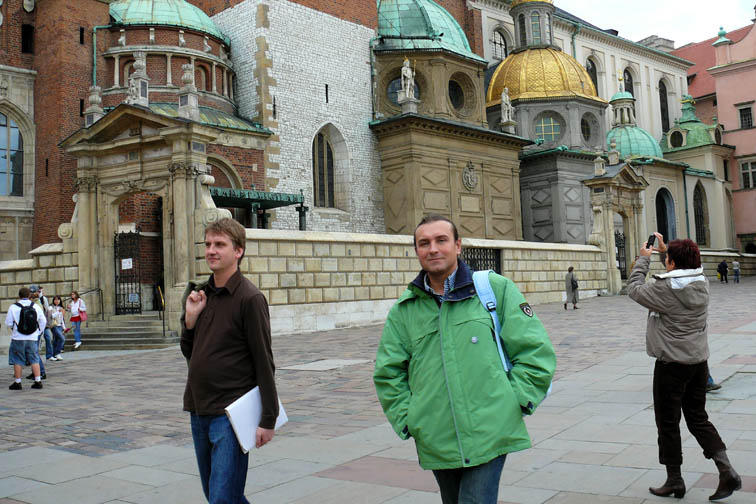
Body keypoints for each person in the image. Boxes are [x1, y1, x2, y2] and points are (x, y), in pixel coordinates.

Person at [373, 214, 556, 504]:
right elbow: (388, 372)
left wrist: (514, 402)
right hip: (435, 433)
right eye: (424, 243)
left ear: (458, 246)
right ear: (417, 251)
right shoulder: (404, 310)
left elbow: (535, 351)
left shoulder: (494, 289)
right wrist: (409, 419)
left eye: (441, 240)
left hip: (489, 429)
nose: (433, 249)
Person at [627, 232, 741, 501]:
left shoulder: (664, 289)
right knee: (698, 418)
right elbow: (680, 275)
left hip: (671, 365)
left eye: (668, 259)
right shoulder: (702, 281)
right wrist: (666, 252)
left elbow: (634, 289)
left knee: (668, 422)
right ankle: (727, 470)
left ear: (673, 263)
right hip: (698, 363)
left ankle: (674, 480)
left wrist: (643, 259)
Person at [181, 218, 278, 503]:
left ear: (238, 251)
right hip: (199, 409)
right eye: (208, 244)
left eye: (220, 244)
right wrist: (190, 320)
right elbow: (190, 352)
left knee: (222, 498)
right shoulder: (200, 294)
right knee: (219, 495)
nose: (211, 250)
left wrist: (268, 418)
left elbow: (264, 361)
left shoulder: (250, 298)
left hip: (230, 414)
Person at [6, 287, 47, 390]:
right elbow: (43, 321)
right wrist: (38, 332)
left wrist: (14, 329)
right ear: (29, 295)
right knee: (34, 358)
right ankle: (38, 381)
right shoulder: (35, 306)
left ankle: (18, 382)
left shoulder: (13, 307)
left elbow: (8, 323)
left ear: (19, 296)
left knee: (18, 359)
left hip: (18, 337)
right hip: (32, 337)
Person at [49, 295, 66, 361]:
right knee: (62, 339)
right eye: (55, 299)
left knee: (56, 340)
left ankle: (53, 354)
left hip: (60, 326)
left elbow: (62, 319)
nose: (57, 301)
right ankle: (58, 353)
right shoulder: (50, 307)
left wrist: (64, 327)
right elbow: (51, 316)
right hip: (54, 325)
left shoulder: (61, 307)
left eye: (58, 299)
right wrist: (58, 311)